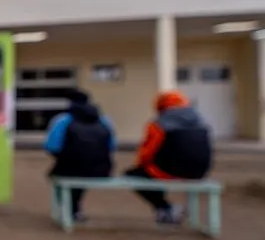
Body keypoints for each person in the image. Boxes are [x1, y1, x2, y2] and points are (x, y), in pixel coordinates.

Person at [126, 90, 213, 224]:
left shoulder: (159, 124)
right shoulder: (201, 121)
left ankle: (164, 207)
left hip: (169, 171)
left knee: (134, 175)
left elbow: (147, 152)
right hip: (199, 171)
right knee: (152, 172)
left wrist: (139, 165)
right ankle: (165, 209)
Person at [44, 89, 116, 221]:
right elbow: (111, 146)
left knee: (58, 175)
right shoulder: (105, 120)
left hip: (69, 168)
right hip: (101, 170)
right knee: (81, 173)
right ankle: (74, 209)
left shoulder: (63, 120)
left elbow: (52, 146)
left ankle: (68, 208)